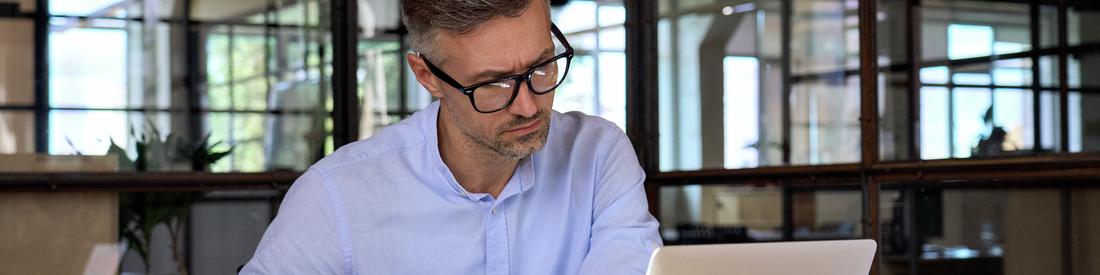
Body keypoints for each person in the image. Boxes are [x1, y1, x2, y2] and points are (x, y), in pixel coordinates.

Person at [240, 0, 662, 273]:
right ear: (427, 77)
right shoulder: (335, 197)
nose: (529, 106)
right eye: (493, 84)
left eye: (542, 67)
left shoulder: (598, 156)